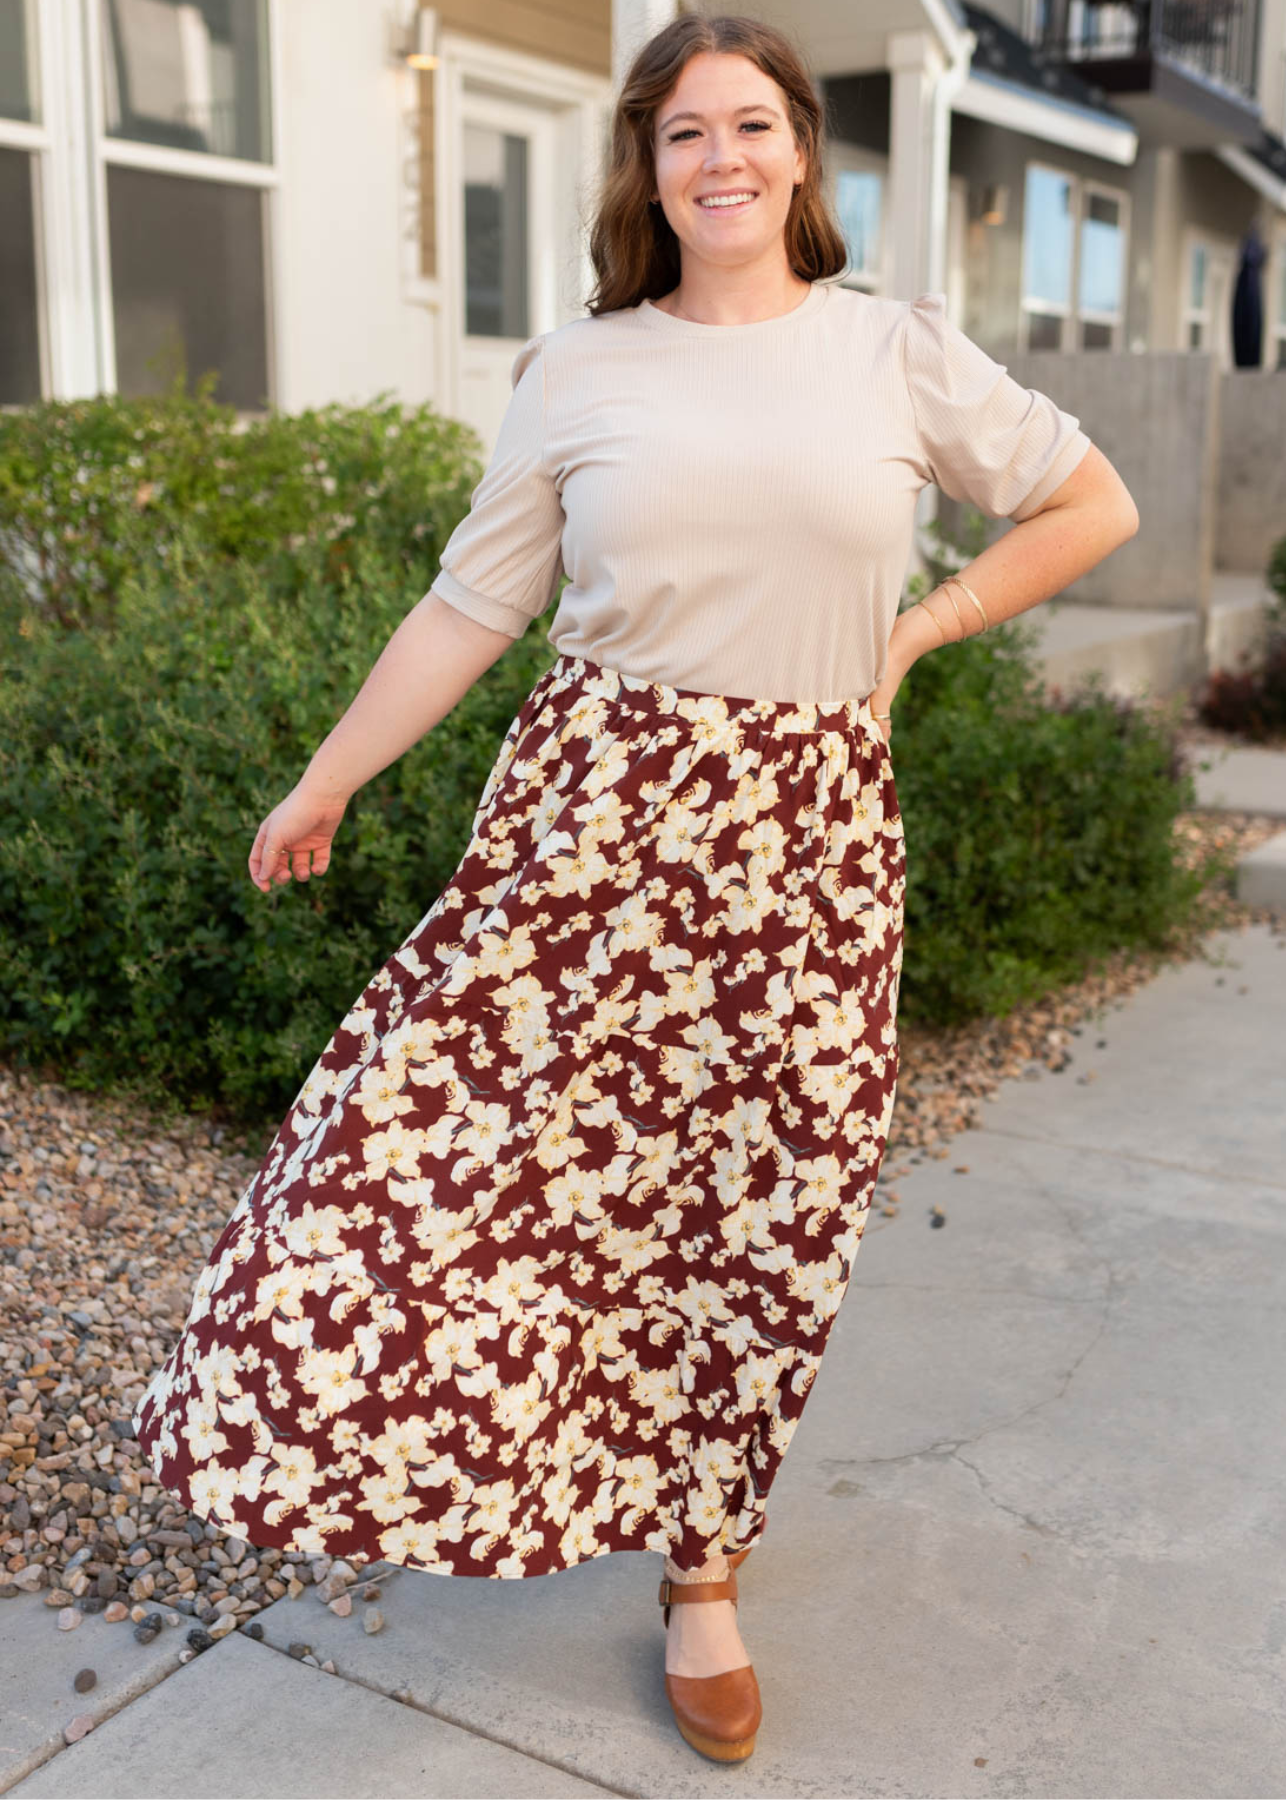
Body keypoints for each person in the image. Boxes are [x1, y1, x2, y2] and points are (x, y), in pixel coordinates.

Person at [132, 11, 1139, 1768]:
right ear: (646, 167)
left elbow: (1087, 504)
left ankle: (701, 1576)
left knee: (754, 1222)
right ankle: (460, 1451)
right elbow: (470, 608)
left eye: (751, 125)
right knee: (418, 1163)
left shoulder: (893, 351)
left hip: (807, 856)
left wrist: (919, 628)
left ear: (802, 153)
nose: (721, 158)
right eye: (684, 133)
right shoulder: (578, 370)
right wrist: (326, 777)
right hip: (585, 838)